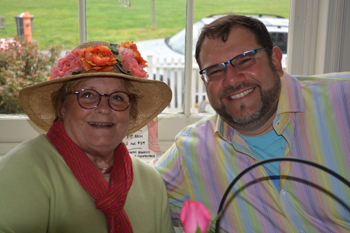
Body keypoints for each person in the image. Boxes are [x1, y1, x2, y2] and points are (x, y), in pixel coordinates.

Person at [152, 14, 350, 232]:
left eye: (245, 60)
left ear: (275, 60)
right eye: (215, 71)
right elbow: (134, 196)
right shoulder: (190, 152)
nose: (232, 79)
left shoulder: (343, 100)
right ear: (205, 82)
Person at [0, 40, 175, 233]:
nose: (103, 108)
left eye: (117, 97)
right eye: (88, 95)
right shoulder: (23, 171)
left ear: (130, 113)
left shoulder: (150, 181)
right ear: (63, 107)